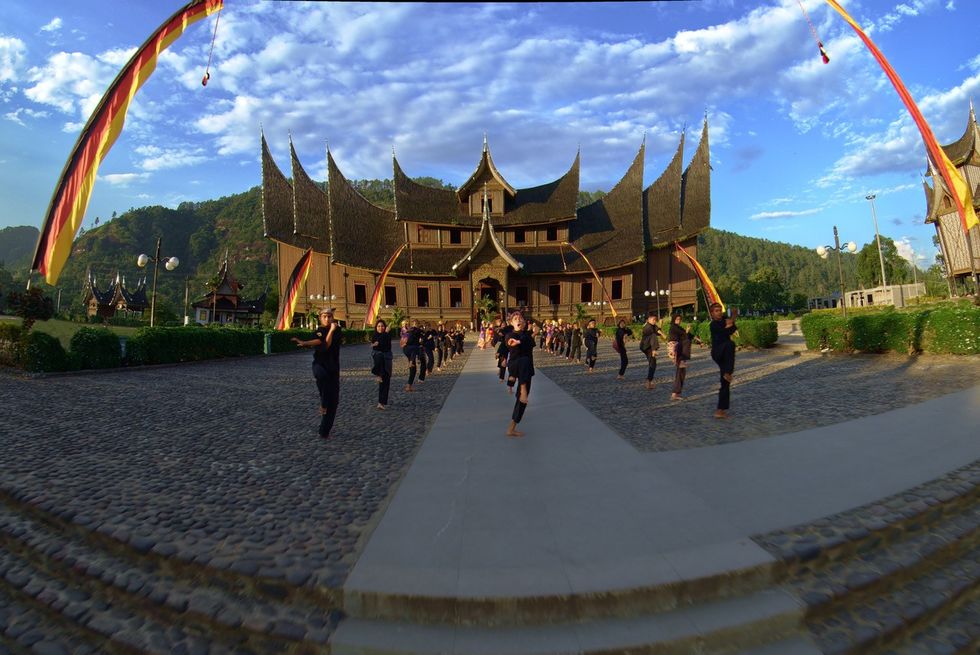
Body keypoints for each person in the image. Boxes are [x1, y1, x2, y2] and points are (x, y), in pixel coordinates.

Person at [291, 308, 342, 439]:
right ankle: (323, 404)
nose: (327, 319)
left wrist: (331, 330)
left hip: (333, 368)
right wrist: (304, 343)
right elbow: (320, 342)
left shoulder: (337, 330)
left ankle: (324, 431)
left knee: (334, 401)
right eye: (324, 316)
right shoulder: (319, 331)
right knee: (322, 378)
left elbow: (327, 345)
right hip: (319, 365)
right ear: (320, 318)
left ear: (333, 317)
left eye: (329, 316)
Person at [505, 312, 535, 437]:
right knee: (524, 360)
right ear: (511, 323)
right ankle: (520, 387)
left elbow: (528, 343)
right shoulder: (511, 334)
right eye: (515, 319)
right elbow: (508, 341)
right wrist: (512, 342)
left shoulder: (526, 336)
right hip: (515, 365)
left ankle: (511, 428)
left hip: (526, 370)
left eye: (520, 318)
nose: (518, 320)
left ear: (523, 322)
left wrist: (534, 333)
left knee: (522, 401)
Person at [709, 303, 737, 419]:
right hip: (718, 352)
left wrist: (733, 318)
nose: (719, 312)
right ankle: (727, 372)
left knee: (725, 383)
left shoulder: (724, 320)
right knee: (730, 343)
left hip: (726, 353)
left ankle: (720, 410)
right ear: (712, 313)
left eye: (720, 310)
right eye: (716, 311)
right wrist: (729, 324)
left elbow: (733, 328)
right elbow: (723, 333)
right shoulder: (713, 324)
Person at [668, 312, 696, 400]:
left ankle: (675, 393)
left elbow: (687, 335)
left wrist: (699, 340)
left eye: (680, 319)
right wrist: (687, 331)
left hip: (680, 350)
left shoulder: (678, 327)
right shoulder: (673, 327)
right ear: (673, 320)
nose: (678, 321)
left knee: (681, 372)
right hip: (676, 350)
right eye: (677, 319)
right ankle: (675, 393)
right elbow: (685, 335)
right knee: (680, 371)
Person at [370, 318, 393, 409]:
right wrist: (385, 333)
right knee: (379, 355)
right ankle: (378, 374)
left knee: (386, 380)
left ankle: (382, 402)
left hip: (387, 358)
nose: (380, 328)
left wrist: (380, 341)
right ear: (376, 327)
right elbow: (376, 344)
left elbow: (383, 344)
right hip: (378, 356)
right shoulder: (375, 335)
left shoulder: (388, 335)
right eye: (379, 326)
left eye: (382, 326)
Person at [639, 311, 663, 390]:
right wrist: (653, 349)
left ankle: (648, 382)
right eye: (653, 319)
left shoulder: (653, 325)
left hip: (649, 346)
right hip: (646, 347)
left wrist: (661, 325)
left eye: (655, 319)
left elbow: (658, 330)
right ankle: (648, 382)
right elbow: (654, 334)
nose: (654, 321)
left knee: (653, 363)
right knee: (652, 363)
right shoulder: (647, 327)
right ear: (648, 319)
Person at [403, 319, 422, 392]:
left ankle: (409, 386)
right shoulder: (416, 330)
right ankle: (411, 361)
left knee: (413, 369)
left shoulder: (409, 330)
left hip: (406, 349)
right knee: (416, 348)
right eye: (415, 324)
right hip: (412, 349)